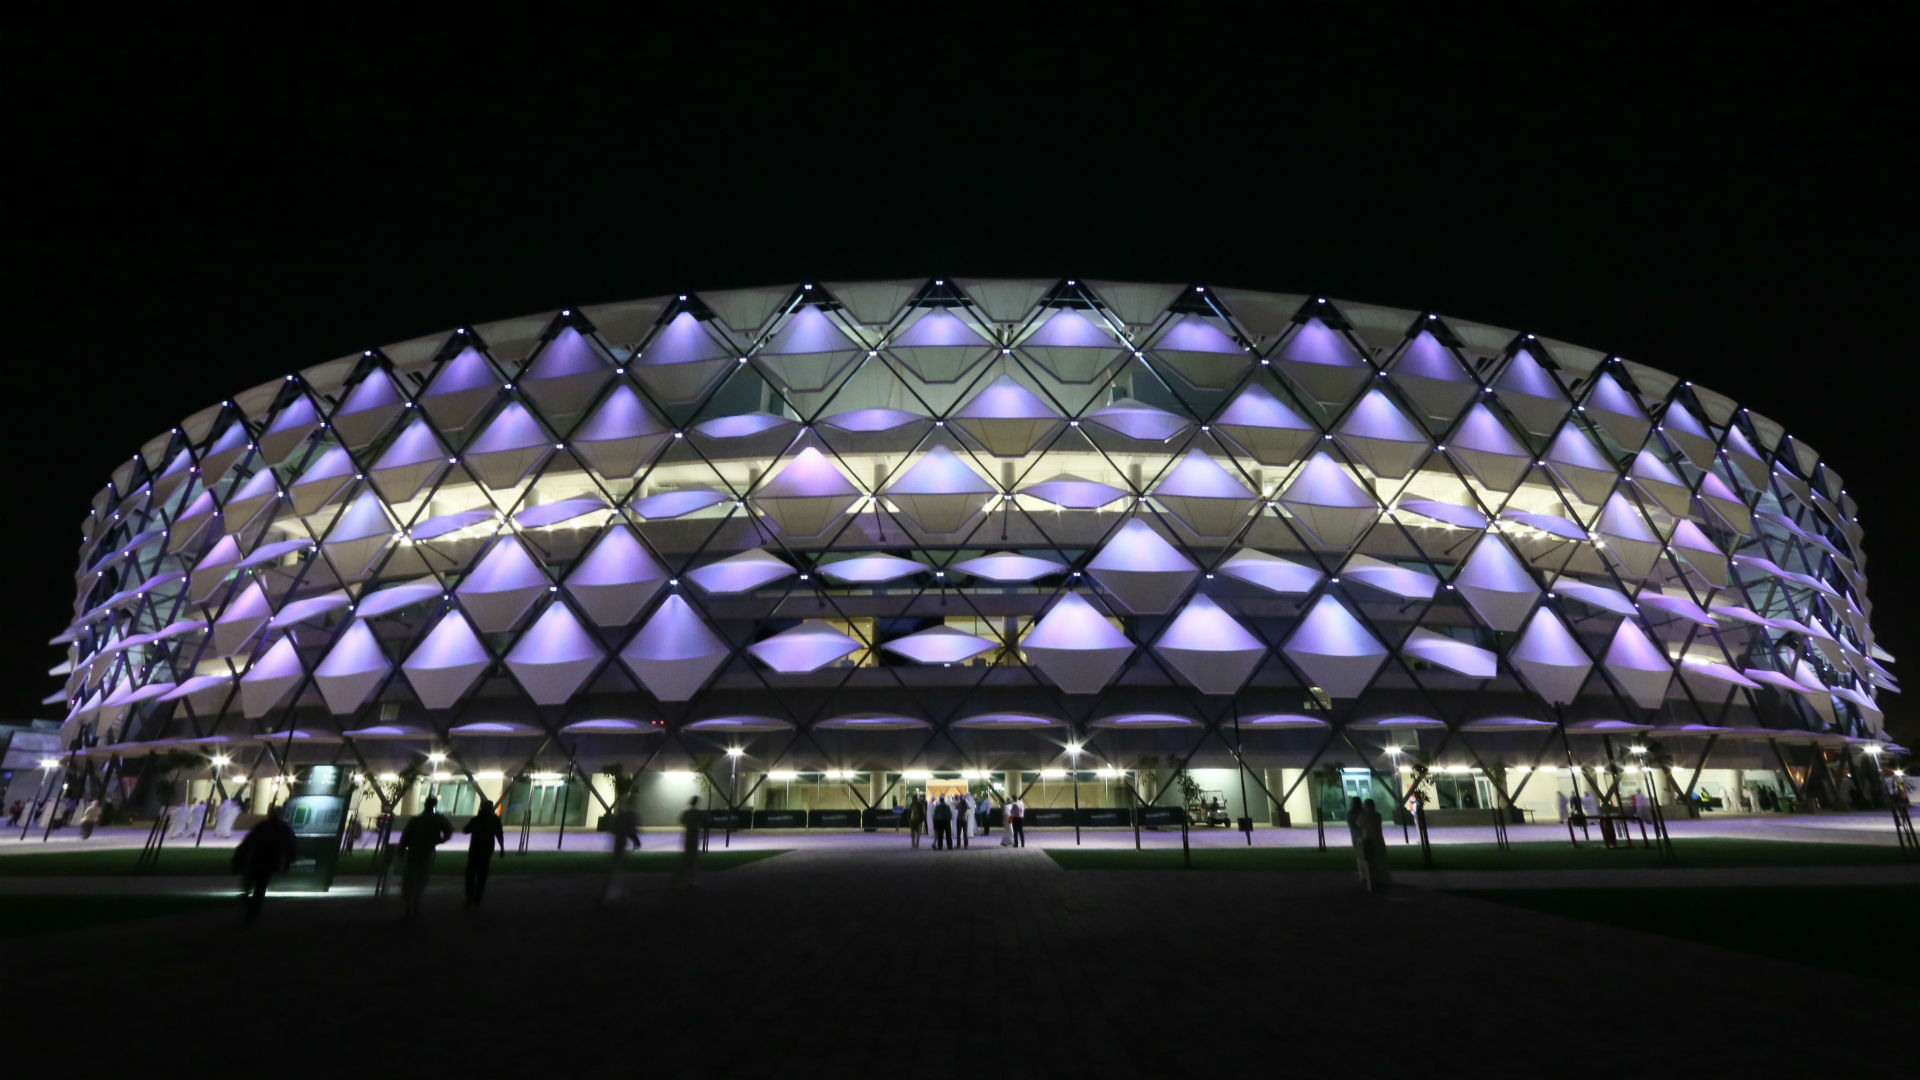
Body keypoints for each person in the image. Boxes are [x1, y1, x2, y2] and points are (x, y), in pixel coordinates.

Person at [231, 804, 296, 923]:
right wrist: (288, 861)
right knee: (260, 886)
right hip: (271, 860)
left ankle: (248, 900)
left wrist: (239, 857)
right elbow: (291, 846)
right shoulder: (284, 828)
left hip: (258, 858)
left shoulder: (262, 826)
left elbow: (248, 842)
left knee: (252, 880)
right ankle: (253, 910)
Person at [397, 795, 453, 920]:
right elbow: (449, 830)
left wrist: (401, 850)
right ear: (434, 805)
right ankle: (415, 904)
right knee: (421, 879)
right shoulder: (437, 819)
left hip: (414, 852)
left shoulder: (416, 820)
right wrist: (441, 840)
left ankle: (409, 905)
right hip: (426, 852)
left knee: (410, 879)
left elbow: (405, 837)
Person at [463, 797, 506, 908]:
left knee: (471, 874)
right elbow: (499, 835)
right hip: (487, 850)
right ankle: (478, 897)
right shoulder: (495, 820)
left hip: (475, 849)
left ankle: (469, 897)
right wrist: (502, 849)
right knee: (482, 874)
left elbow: (465, 830)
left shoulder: (477, 820)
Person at [602, 795, 640, 904]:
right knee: (619, 867)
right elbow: (631, 829)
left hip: (618, 841)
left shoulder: (622, 814)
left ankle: (616, 893)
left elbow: (614, 828)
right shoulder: (631, 814)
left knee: (617, 866)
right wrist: (636, 840)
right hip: (621, 842)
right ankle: (613, 894)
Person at [1362, 798, 1391, 890]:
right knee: (1381, 858)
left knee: (1371, 861)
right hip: (1378, 839)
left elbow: (1358, 824)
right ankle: (1383, 878)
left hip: (1368, 840)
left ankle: (1373, 879)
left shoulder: (1364, 816)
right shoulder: (1378, 815)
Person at [676, 797, 704, 888]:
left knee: (687, 857)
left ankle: (686, 878)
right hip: (694, 836)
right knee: (693, 858)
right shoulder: (698, 813)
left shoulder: (686, 813)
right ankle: (692, 880)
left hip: (688, 835)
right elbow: (705, 821)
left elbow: (682, 821)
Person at [1346, 795, 1369, 889]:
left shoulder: (1350, 813)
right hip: (1364, 835)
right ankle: (1368, 874)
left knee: (1359, 856)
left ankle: (1362, 874)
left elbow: (1351, 823)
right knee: (1367, 855)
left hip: (1355, 836)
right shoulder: (1364, 812)